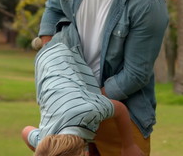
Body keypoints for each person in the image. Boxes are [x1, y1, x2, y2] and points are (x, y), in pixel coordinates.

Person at [37, 0, 169, 155]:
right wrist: (52, 62)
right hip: (70, 107)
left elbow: (135, 74)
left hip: (122, 114)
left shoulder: (150, 4)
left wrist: (87, 102)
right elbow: (54, 10)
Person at [21, 24, 143, 156]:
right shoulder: (44, 141)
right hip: (43, 63)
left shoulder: (89, 110)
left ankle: (51, 36)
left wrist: (129, 145)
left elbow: (120, 109)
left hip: (65, 47)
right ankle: (44, 43)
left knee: (73, 22)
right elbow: (25, 131)